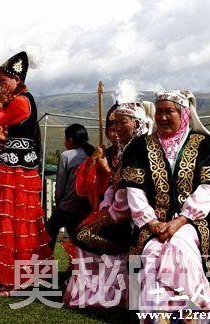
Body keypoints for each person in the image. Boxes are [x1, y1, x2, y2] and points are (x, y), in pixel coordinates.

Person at [121, 90, 210, 324]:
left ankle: (195, 311)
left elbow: (208, 188)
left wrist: (180, 220)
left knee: (178, 246)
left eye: (169, 111)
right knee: (152, 250)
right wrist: (151, 222)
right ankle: (159, 316)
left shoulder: (205, 144)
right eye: (159, 111)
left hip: (194, 221)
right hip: (152, 224)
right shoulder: (140, 146)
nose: (162, 117)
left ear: (183, 113)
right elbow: (134, 190)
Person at [64, 82, 155, 308]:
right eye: (113, 124)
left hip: (132, 217)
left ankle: (117, 292)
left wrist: (107, 172)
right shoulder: (116, 150)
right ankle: (99, 292)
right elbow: (89, 188)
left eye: (122, 123)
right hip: (111, 210)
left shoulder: (138, 148)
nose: (116, 130)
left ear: (136, 124)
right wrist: (95, 161)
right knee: (81, 234)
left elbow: (126, 186)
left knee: (86, 235)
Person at [0, 51, 52, 297]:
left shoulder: (19, 102)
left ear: (17, 80)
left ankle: (16, 280)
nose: (1, 86)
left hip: (15, 172)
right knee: (12, 221)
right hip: (14, 167)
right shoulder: (18, 100)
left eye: (4, 81)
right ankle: (14, 278)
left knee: (13, 220)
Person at [44, 123, 94, 251]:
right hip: (86, 206)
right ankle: (77, 267)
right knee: (78, 239)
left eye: (65, 139)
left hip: (68, 205)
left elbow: (60, 185)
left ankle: (45, 266)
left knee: (48, 233)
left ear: (70, 139)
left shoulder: (67, 155)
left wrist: (59, 202)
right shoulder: (92, 154)